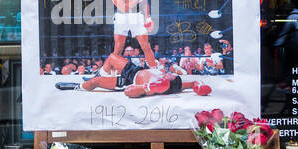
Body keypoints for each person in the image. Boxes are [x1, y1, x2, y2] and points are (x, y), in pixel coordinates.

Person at [80, 52, 211, 98]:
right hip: (136, 69)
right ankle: (98, 73)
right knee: (112, 57)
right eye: (171, 75)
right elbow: (193, 83)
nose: (170, 74)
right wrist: (200, 86)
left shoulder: (159, 87)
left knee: (94, 82)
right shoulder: (176, 82)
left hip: (128, 81)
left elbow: (129, 92)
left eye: (170, 76)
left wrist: (150, 87)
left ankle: (79, 86)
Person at [108, 0, 158, 67]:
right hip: (121, 16)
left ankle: (154, 70)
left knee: (146, 46)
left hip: (137, 15)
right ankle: (113, 72)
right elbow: (123, 8)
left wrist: (148, 17)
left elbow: (144, 2)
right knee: (118, 47)